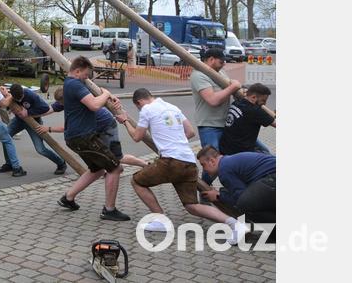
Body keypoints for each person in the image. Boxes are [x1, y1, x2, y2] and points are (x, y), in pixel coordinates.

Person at [117, 89, 248, 243]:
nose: (139, 109)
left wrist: (125, 121)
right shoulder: (174, 108)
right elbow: (190, 132)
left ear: (139, 102)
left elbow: (136, 137)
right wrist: (175, 141)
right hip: (188, 161)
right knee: (191, 205)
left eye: (138, 107)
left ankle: (160, 220)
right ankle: (235, 224)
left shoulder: (147, 109)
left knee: (137, 181)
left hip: (170, 162)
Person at [55, 56, 130, 221]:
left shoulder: (71, 84)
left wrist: (107, 97)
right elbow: (95, 105)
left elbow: (95, 98)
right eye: (86, 75)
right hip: (83, 137)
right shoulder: (74, 84)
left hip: (77, 137)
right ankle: (109, 210)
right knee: (115, 168)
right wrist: (108, 93)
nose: (87, 78)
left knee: (97, 170)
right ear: (77, 70)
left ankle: (68, 198)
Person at [49, 87, 147, 170]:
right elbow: (49, 109)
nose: (61, 105)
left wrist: (49, 129)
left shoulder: (80, 101)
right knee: (101, 154)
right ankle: (114, 169)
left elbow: (99, 90)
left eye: (61, 103)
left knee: (117, 156)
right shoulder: (70, 101)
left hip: (107, 125)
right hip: (93, 129)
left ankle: (144, 164)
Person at [190, 48, 241, 182]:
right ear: (211, 59)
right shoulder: (198, 75)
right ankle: (205, 190)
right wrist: (232, 87)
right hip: (209, 126)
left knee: (230, 157)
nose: (224, 64)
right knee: (211, 160)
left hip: (226, 124)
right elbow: (213, 100)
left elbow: (231, 89)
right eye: (221, 62)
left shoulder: (221, 72)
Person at [197, 147, 276, 226]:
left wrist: (218, 196)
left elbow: (239, 197)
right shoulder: (228, 161)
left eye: (203, 165)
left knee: (244, 204)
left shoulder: (224, 170)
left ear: (212, 161)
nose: (204, 169)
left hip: (272, 178)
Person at [5, 83, 67, 175]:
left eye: (21, 98)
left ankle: (61, 163)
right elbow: (6, 103)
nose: (20, 100)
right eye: (17, 99)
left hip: (34, 122)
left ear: (23, 92)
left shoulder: (31, 95)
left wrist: (29, 112)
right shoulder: (12, 95)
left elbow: (45, 108)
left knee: (40, 149)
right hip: (19, 120)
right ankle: (9, 164)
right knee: (5, 136)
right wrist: (9, 108)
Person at [220, 83, 275, 155]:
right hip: (240, 152)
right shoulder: (255, 111)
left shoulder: (237, 102)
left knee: (266, 151)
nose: (264, 104)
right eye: (263, 100)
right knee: (269, 159)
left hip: (226, 147)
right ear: (253, 97)